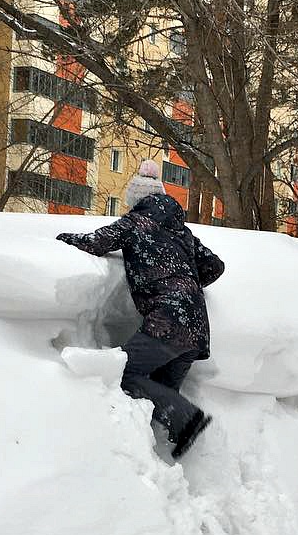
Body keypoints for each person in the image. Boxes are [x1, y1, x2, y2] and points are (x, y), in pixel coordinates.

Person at [56, 159, 225, 458]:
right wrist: (186, 278)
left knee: (124, 372)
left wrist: (63, 239)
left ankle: (188, 420)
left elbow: (98, 242)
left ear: (135, 200)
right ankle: (173, 463)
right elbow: (214, 265)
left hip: (168, 321)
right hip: (197, 326)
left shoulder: (136, 222)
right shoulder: (182, 231)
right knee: (161, 394)